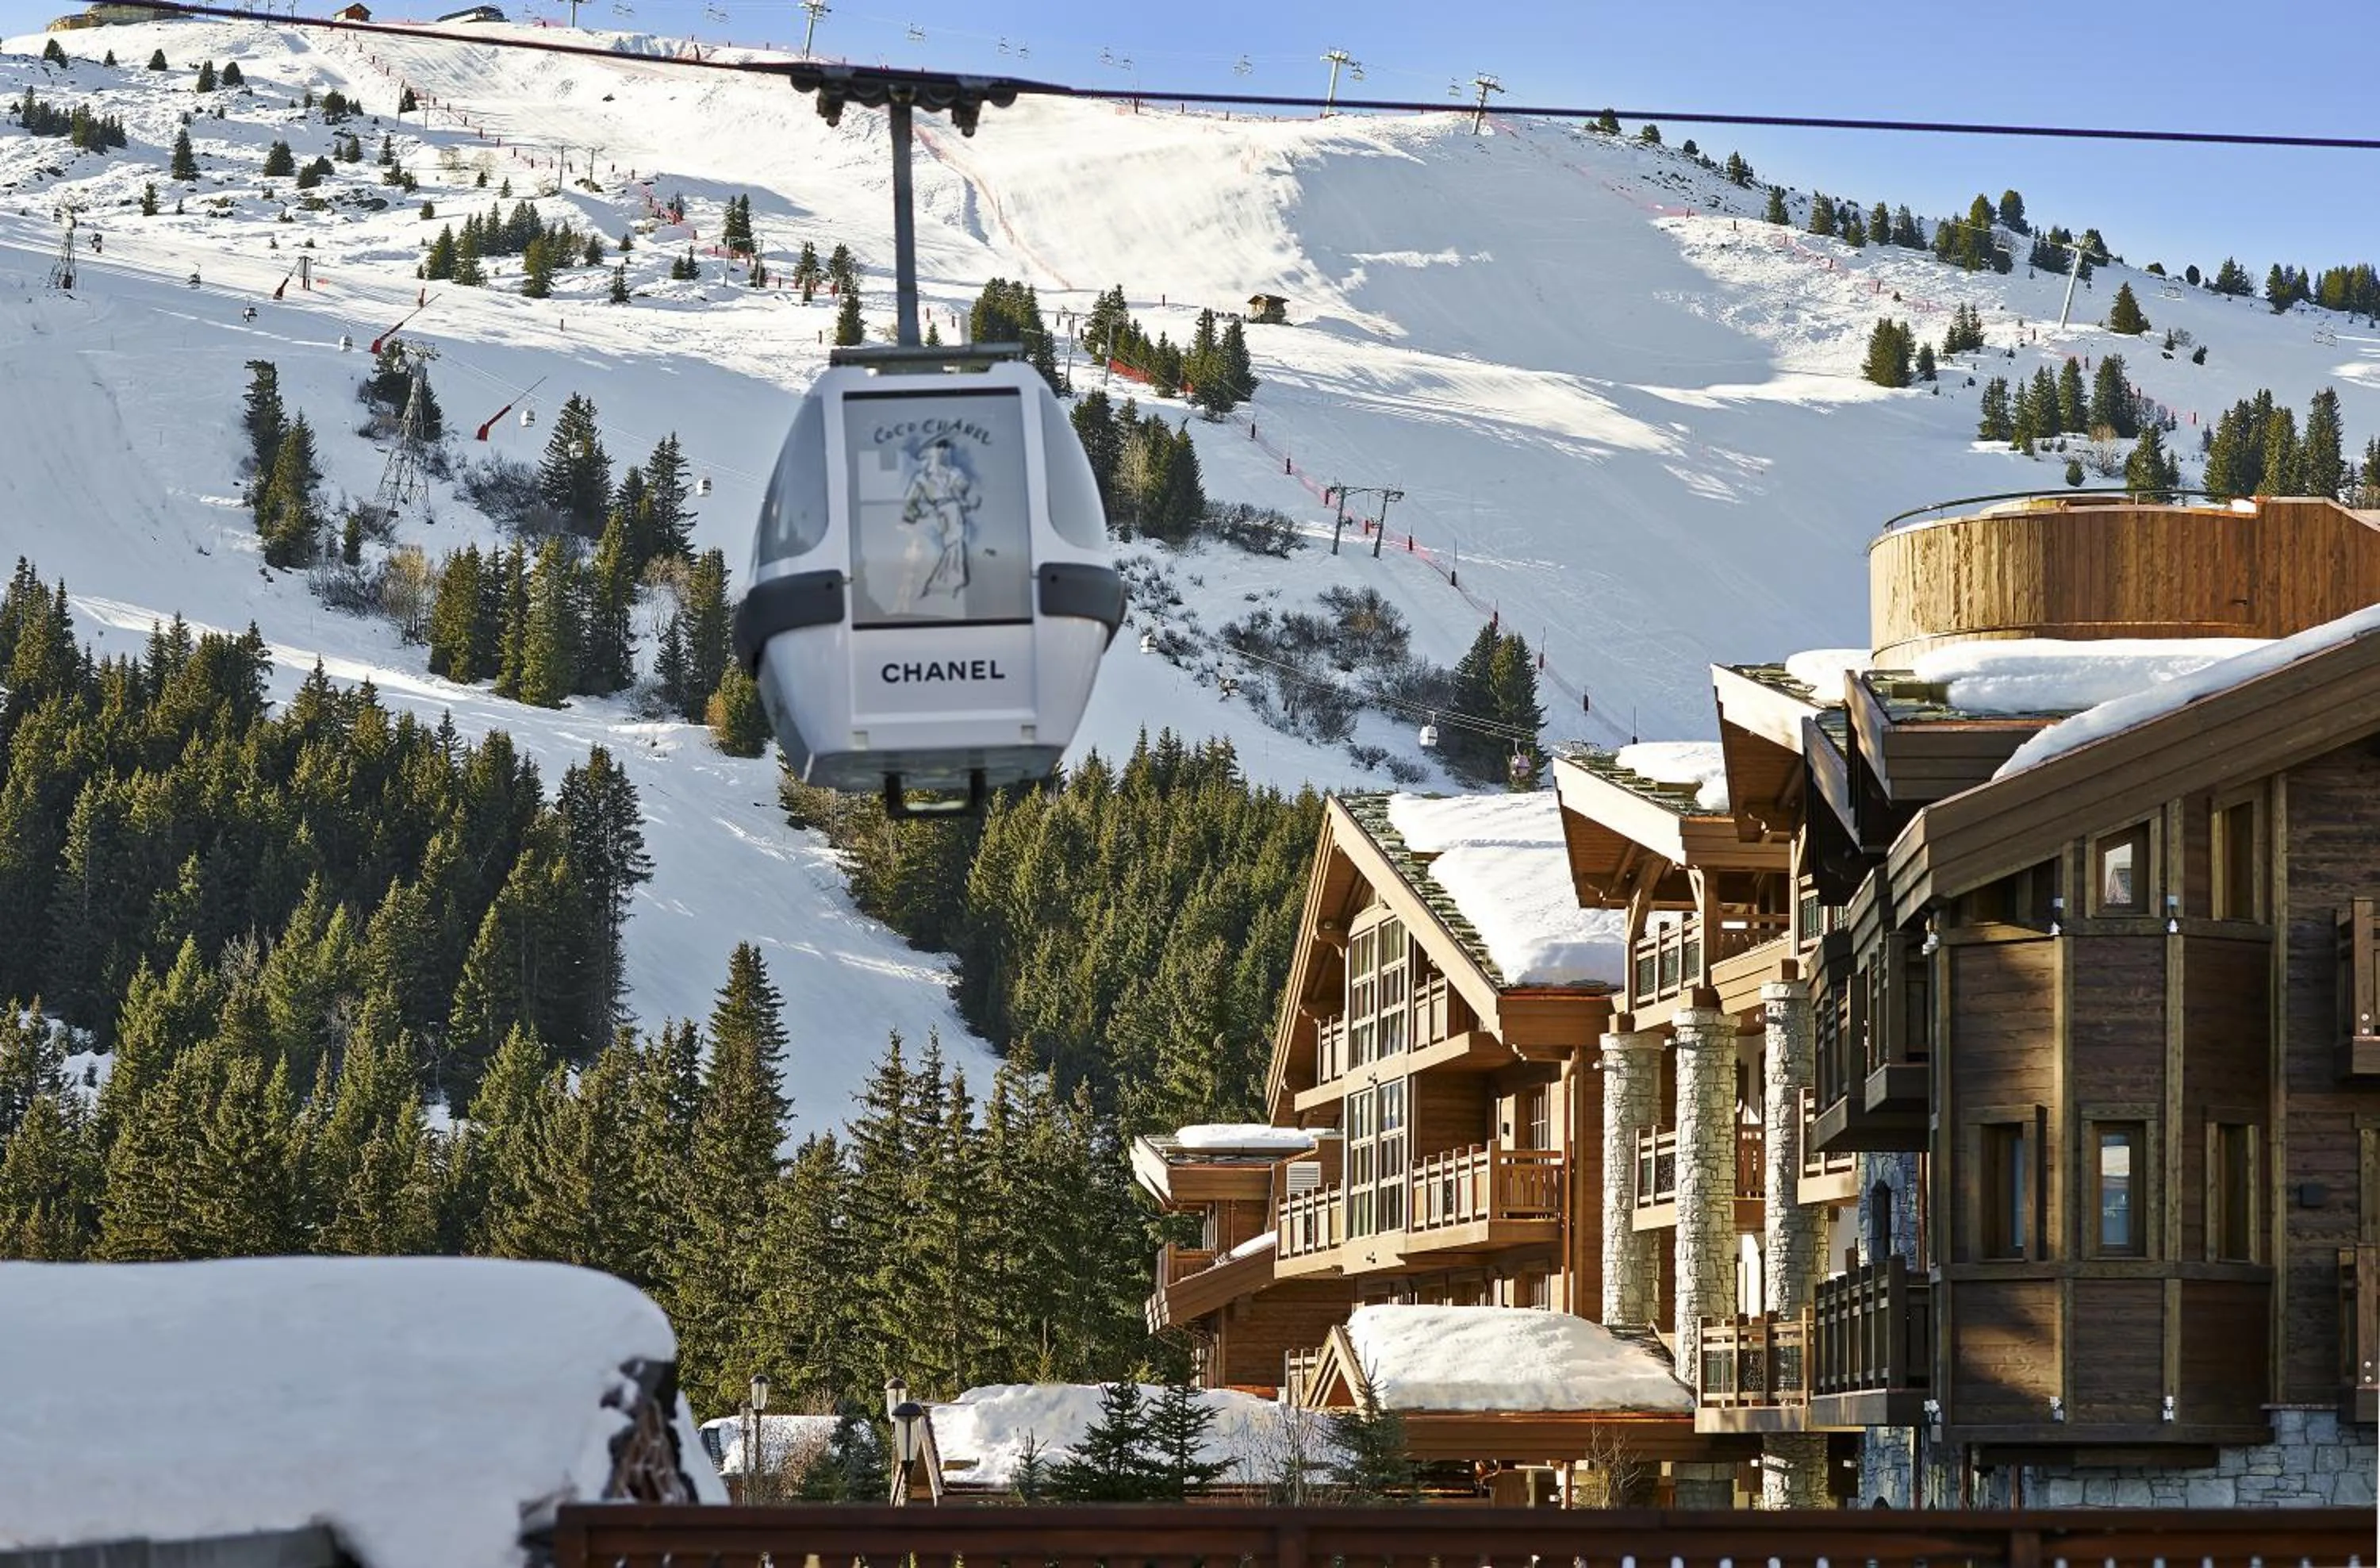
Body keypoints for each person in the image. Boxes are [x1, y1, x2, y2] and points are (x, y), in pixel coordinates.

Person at [893, 438, 980, 613]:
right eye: (937, 449)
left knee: (956, 543)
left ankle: (951, 581)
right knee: (947, 544)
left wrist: (963, 498)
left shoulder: (953, 474)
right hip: (938, 514)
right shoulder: (921, 479)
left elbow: (965, 491)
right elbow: (910, 504)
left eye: (942, 449)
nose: (940, 453)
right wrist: (919, 516)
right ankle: (941, 583)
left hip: (955, 511)